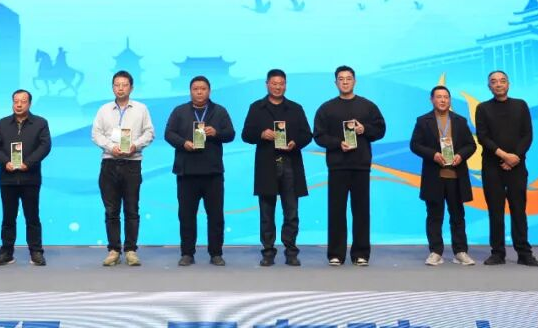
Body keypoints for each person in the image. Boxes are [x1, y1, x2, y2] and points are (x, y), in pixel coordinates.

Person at [313, 65, 386, 267]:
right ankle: (336, 253)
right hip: (337, 166)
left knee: (361, 211)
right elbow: (318, 135)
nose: (345, 82)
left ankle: (361, 253)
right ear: (335, 82)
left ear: (355, 81)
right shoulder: (326, 108)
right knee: (336, 211)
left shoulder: (368, 106)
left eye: (348, 78)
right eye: (341, 79)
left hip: (361, 165)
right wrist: (338, 143)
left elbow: (380, 129)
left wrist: (365, 129)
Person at [163, 75, 236, 266]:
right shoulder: (180, 111)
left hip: (213, 173)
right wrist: (183, 143)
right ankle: (187, 253)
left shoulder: (219, 111)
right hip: (187, 172)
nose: (199, 92)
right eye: (195, 89)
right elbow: (168, 134)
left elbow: (231, 134)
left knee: (216, 216)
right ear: (190, 91)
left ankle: (216, 253)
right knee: (186, 215)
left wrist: (216, 133)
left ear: (209, 91)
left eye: (203, 89)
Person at [242, 68, 312, 266]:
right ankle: (268, 252)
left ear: (286, 85)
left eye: (281, 83)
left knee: (291, 212)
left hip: (290, 164)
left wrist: (295, 142)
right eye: (274, 83)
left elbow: (307, 134)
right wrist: (261, 134)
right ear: (267, 85)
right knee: (266, 213)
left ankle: (291, 251)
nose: (278, 87)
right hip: (267, 165)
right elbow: (246, 135)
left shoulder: (295, 108)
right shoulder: (257, 108)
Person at [475, 70, 538, 267]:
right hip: (492, 167)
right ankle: (497, 253)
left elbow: (527, 135)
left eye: (502, 81)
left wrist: (515, 157)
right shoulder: (483, 108)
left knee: (518, 210)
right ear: (489, 86)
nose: (498, 84)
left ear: (508, 84)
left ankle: (524, 253)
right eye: (494, 82)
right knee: (495, 212)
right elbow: (483, 137)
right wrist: (504, 156)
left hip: (517, 167)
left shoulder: (520, 105)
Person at [91, 70, 154, 266]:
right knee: (111, 210)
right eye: (117, 85)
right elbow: (96, 134)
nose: (120, 88)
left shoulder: (141, 109)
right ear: (112, 88)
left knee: (132, 209)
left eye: (124, 85)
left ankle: (131, 250)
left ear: (131, 88)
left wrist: (135, 145)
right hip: (109, 163)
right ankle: (113, 250)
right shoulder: (103, 110)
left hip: (132, 163)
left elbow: (149, 133)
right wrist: (111, 147)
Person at [409, 85, 477, 266]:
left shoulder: (460, 121)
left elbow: (471, 145)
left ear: (450, 100)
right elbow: (415, 145)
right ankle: (435, 252)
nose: (442, 100)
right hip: (434, 176)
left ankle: (460, 252)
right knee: (434, 216)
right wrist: (433, 155)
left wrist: (460, 155)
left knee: (458, 216)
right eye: (439, 97)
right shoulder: (423, 121)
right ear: (432, 99)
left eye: (446, 97)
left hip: (456, 176)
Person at [0, 89, 52, 266]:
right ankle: (6, 252)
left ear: (29, 104)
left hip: (30, 178)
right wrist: (5, 162)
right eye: (16, 101)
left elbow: (45, 146)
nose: (19, 104)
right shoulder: (2, 124)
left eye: (23, 101)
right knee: (8, 217)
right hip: (7, 178)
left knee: (32, 217)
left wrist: (28, 163)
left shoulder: (40, 123)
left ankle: (36, 252)